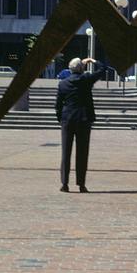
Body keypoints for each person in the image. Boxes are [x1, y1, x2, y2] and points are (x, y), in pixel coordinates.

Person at [55, 56, 113, 192]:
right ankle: (81, 184)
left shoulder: (63, 83)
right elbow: (103, 69)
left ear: (70, 69)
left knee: (65, 152)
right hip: (83, 119)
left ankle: (64, 183)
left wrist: (61, 119)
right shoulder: (86, 80)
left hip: (67, 120)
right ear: (82, 69)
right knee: (82, 152)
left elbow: (57, 105)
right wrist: (92, 61)